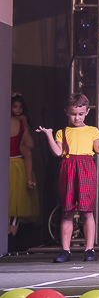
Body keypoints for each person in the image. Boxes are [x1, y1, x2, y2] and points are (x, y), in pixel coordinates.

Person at [37, 93, 99, 262]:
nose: (77, 118)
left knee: (87, 211)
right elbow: (57, 152)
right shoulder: (62, 132)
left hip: (86, 168)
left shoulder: (92, 130)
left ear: (87, 112)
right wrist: (48, 134)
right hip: (68, 168)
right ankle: (65, 251)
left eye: (81, 114)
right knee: (67, 211)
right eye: (73, 114)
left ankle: (89, 249)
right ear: (66, 112)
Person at [9, 94, 40, 239]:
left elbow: (29, 147)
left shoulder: (20, 121)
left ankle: (9, 237)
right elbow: (30, 144)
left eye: (19, 107)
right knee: (14, 207)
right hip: (16, 166)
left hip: (12, 165)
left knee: (11, 206)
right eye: (14, 106)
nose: (17, 109)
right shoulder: (20, 123)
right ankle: (11, 238)